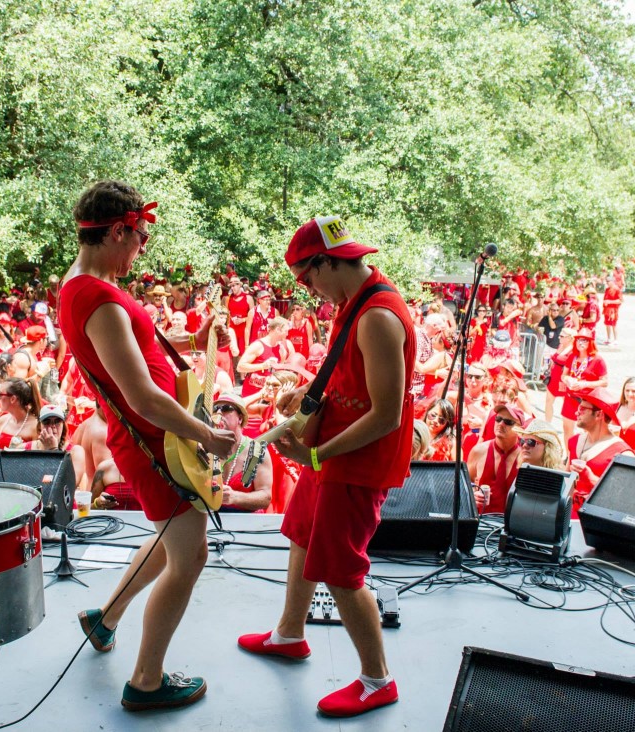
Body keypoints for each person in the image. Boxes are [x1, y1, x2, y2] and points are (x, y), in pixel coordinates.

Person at [59, 180, 235, 711]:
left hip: (160, 438)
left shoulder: (86, 284)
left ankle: (104, 617)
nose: (142, 249)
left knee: (168, 541)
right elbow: (141, 396)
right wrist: (208, 435)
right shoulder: (97, 295)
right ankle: (146, 680)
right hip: (158, 443)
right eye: (140, 238)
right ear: (117, 230)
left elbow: (129, 346)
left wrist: (187, 339)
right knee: (189, 556)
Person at [239, 216, 414, 718]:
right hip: (333, 452)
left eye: (306, 277)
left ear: (326, 262)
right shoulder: (354, 303)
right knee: (301, 531)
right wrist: (308, 392)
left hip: (353, 462)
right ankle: (289, 633)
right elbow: (346, 366)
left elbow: (387, 415)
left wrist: (316, 454)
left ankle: (377, 679)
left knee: (341, 570)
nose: (308, 289)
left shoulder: (378, 316)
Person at [567, 388, 632, 516]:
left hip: (593, 525)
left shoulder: (622, 454)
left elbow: (625, 499)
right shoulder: (574, 441)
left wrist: (590, 478)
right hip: (567, 519)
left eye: (582, 409)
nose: (576, 412)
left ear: (599, 415)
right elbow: (566, 479)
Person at [211, 392, 272, 512]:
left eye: (226, 408)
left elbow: (265, 497)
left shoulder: (255, 450)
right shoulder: (207, 447)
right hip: (211, 521)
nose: (218, 413)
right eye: (215, 409)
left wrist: (234, 497)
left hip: (247, 523)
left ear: (240, 418)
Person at [466, 403, 527, 514]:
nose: (501, 424)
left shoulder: (524, 458)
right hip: (481, 523)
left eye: (508, 422)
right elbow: (465, 485)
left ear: (520, 429)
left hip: (511, 525)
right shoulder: (478, 451)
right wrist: (472, 495)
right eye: (498, 419)